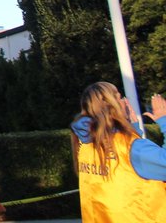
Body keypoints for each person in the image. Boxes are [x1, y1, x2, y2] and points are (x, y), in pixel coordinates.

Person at [71, 81, 166, 222]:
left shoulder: (85, 145)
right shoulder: (132, 148)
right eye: (119, 97)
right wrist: (164, 121)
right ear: (112, 105)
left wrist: (132, 130)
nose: (125, 102)